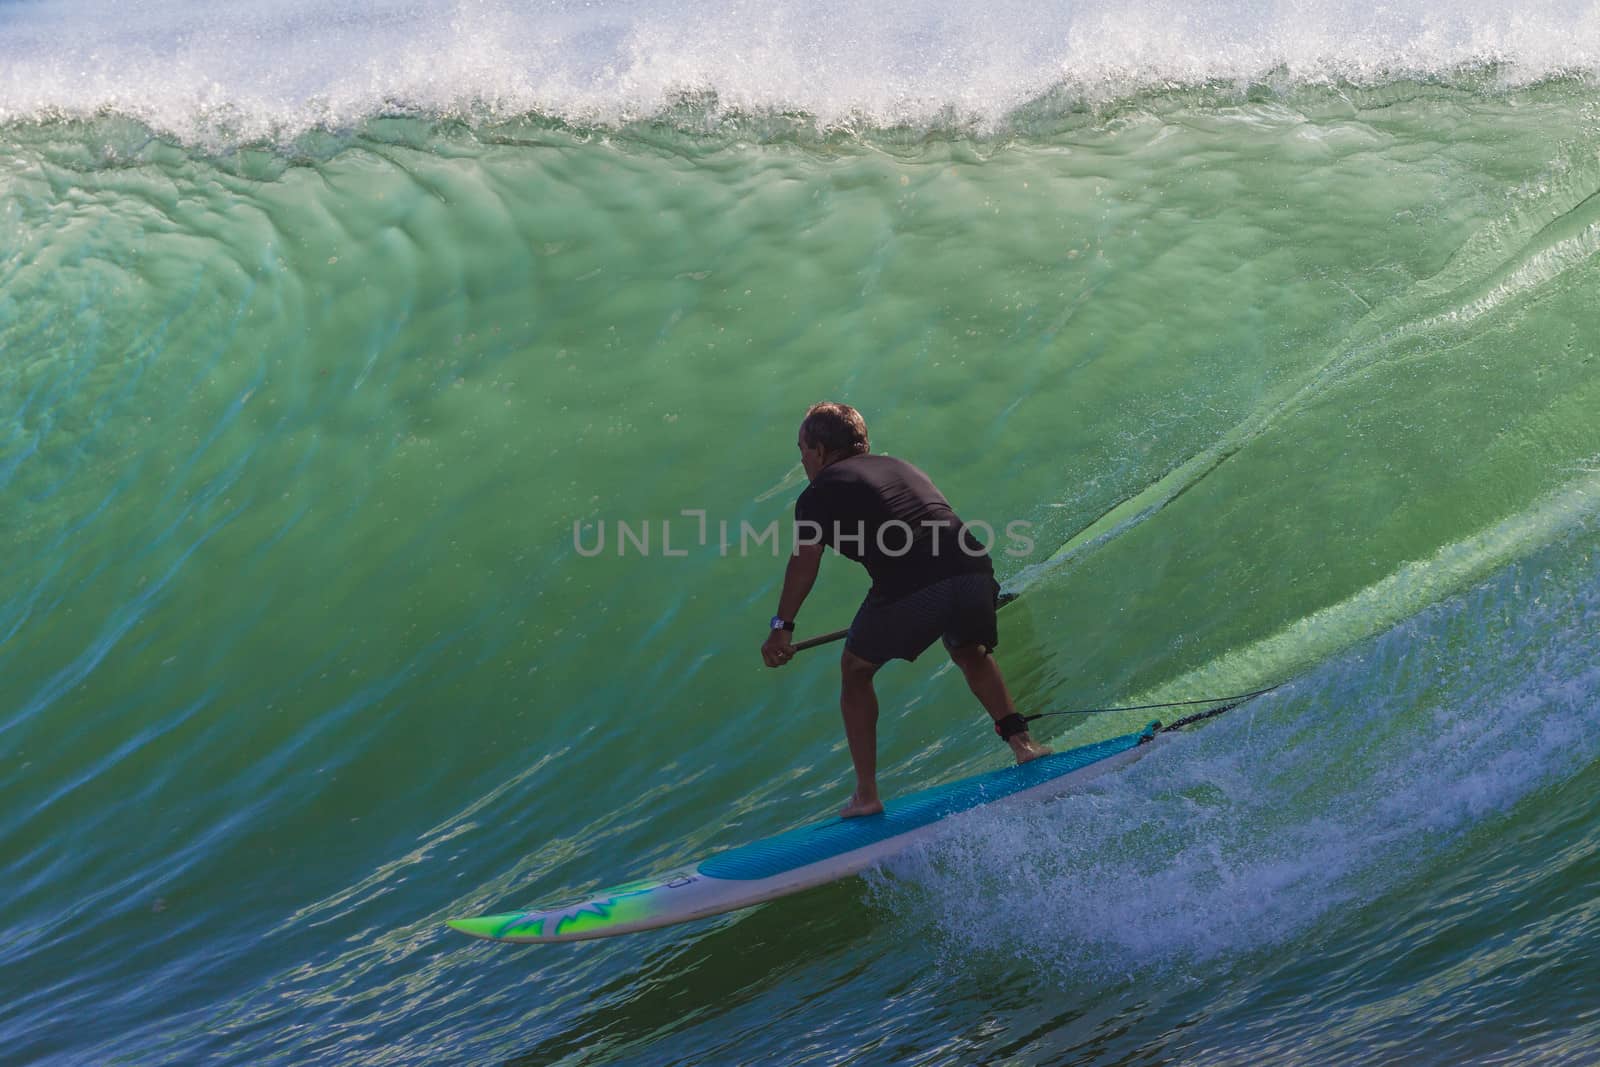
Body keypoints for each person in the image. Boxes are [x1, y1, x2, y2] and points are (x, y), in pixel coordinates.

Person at [761, 401, 1050, 819]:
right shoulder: (901, 466)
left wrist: (781, 628)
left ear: (820, 450)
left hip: (914, 581)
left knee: (855, 670)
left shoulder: (817, 493)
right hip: (973, 568)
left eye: (803, 449)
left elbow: (804, 562)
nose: (803, 459)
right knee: (970, 651)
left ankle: (866, 794)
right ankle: (1024, 745)